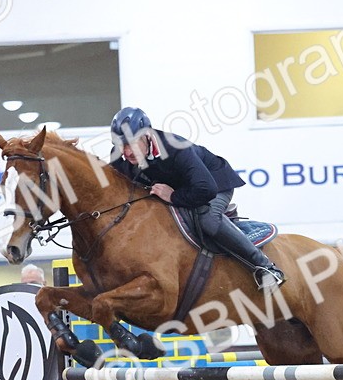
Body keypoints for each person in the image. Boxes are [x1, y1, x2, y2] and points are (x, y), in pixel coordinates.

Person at [107, 106, 285, 293]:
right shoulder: (119, 156)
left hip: (214, 184)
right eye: (122, 145)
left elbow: (206, 189)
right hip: (179, 188)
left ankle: (265, 267)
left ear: (147, 136)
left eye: (132, 143)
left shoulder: (174, 147)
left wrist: (173, 196)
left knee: (207, 220)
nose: (127, 152)